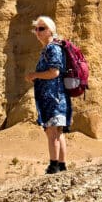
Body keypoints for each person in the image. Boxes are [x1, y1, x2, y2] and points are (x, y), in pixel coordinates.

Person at [25, 15, 71, 174]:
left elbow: (54, 72)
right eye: (36, 29)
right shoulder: (49, 48)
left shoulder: (52, 48)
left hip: (53, 97)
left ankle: (53, 166)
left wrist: (35, 75)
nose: (37, 32)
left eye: (41, 28)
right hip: (53, 96)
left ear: (51, 30)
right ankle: (62, 165)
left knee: (52, 132)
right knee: (58, 132)